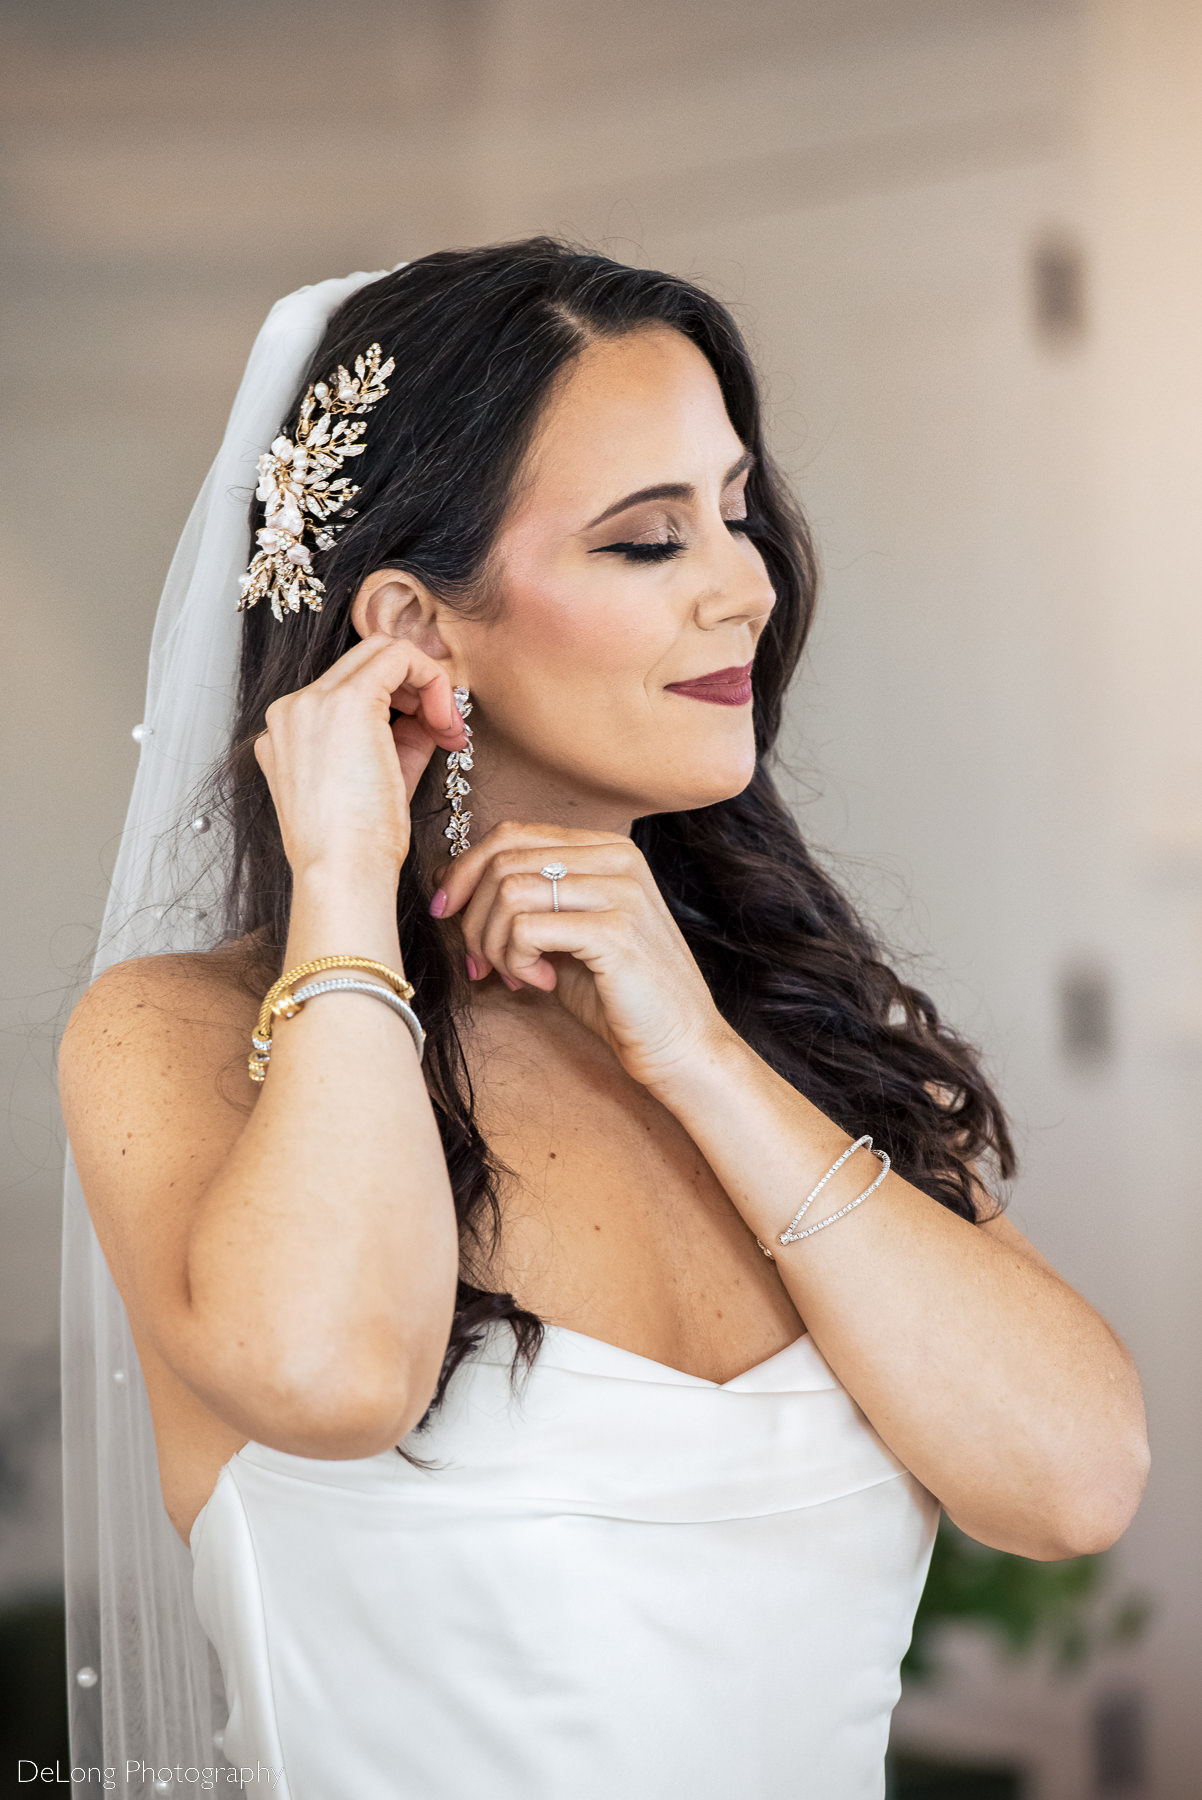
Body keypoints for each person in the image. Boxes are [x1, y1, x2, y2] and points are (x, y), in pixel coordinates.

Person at [57, 240, 1149, 1800]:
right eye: (650, 539)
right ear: (412, 629)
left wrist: (701, 1055)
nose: (746, 581)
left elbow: (1070, 1484)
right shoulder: (172, 1035)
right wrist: (349, 879)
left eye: (735, 508)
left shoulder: (792, 1033)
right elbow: (335, 1377)